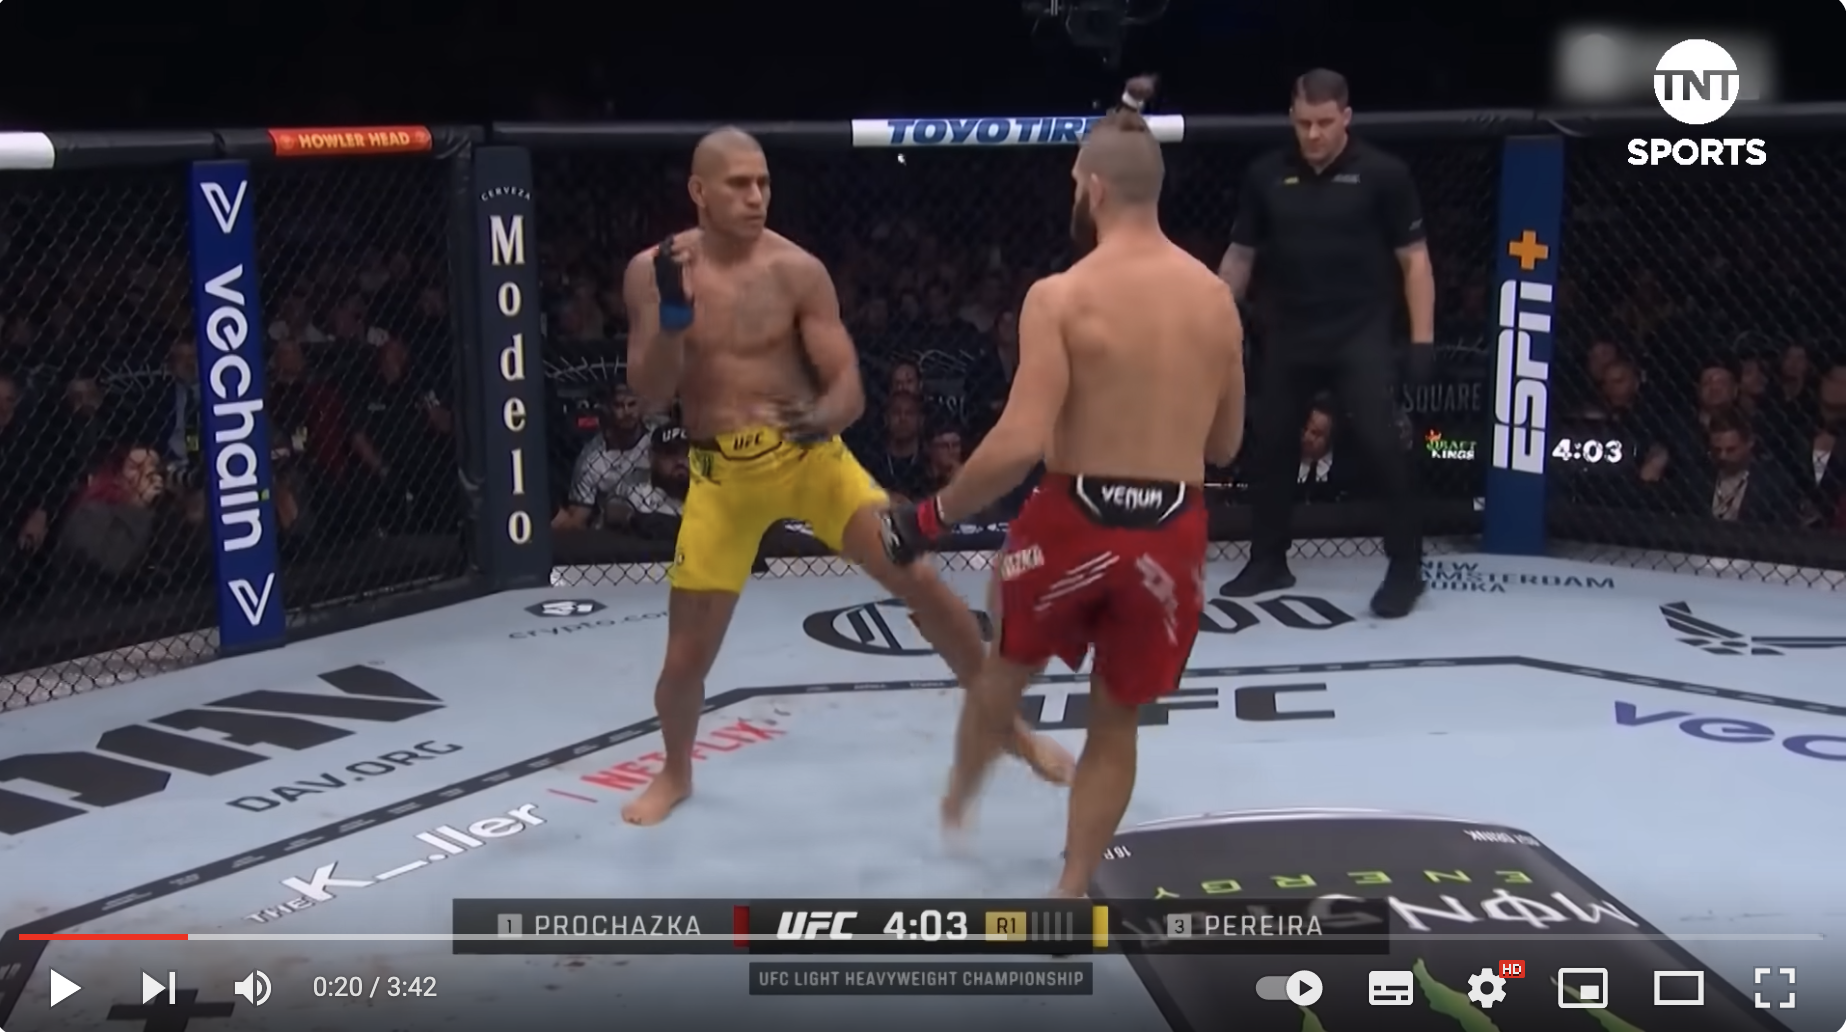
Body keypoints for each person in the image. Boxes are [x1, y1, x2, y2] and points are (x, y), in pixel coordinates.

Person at [620, 127, 1073, 827]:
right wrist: (675, 316)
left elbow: (849, 389)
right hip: (721, 478)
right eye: (739, 184)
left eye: (764, 182)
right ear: (698, 191)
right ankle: (675, 771)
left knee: (924, 582)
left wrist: (821, 416)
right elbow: (649, 390)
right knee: (683, 662)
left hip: (810, 461)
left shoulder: (797, 270)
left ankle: (1006, 726)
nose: (756, 196)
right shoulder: (653, 269)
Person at [881, 77, 1246, 897]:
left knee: (1004, 670)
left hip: (1074, 519)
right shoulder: (1216, 300)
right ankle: (1074, 884)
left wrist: (929, 518)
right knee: (1117, 716)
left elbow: (1018, 442)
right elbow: (1225, 443)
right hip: (1171, 531)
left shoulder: (1061, 295)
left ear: (1094, 187)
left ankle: (959, 800)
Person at [1216, 68, 1436, 617]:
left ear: (1346, 118)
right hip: (1290, 330)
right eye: (1303, 123)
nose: (1313, 134)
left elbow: (1415, 261)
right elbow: (1240, 256)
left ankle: (1406, 568)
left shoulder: (1384, 174)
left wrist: (1422, 341)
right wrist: (1212, 320)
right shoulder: (1267, 174)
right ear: (1292, 118)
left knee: (1384, 445)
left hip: (1360, 331)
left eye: (1324, 123)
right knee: (1271, 446)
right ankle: (1269, 559)